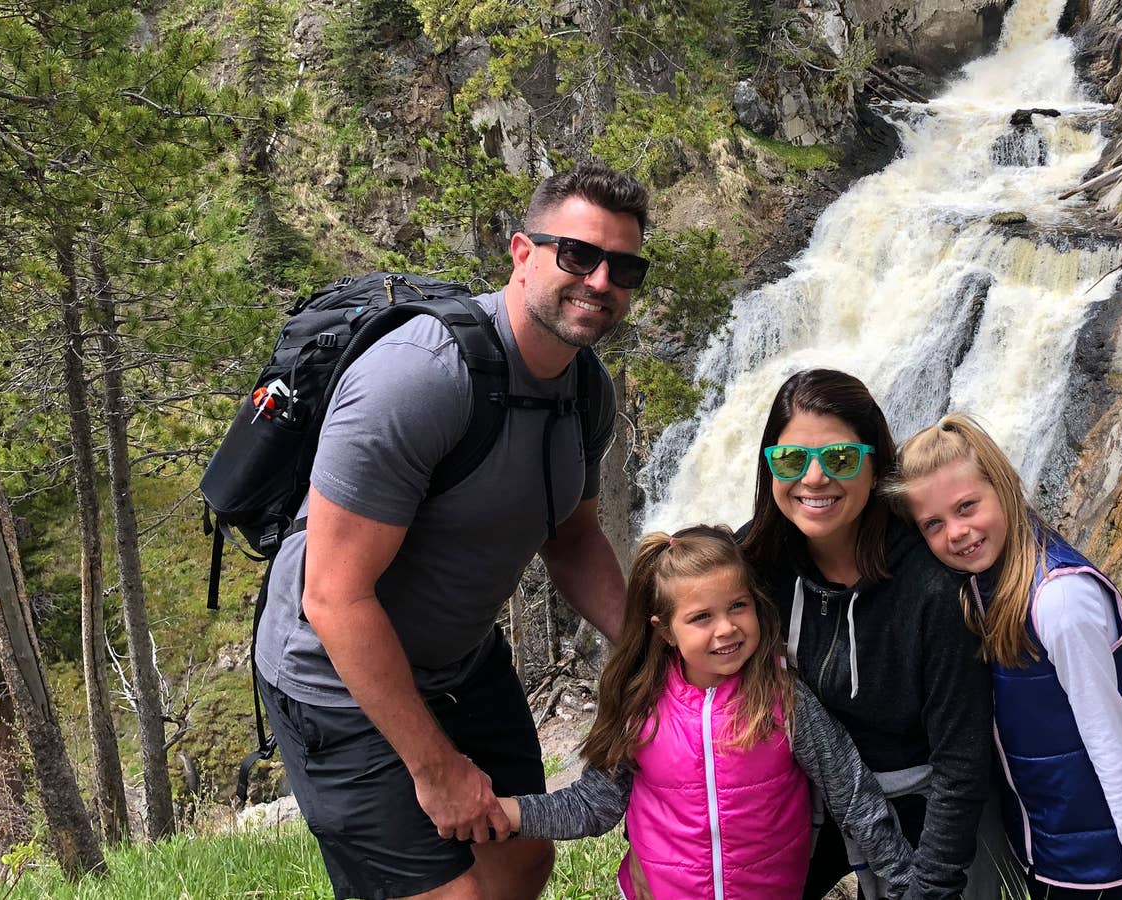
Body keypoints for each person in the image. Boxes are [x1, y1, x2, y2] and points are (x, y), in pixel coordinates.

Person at [253, 161, 648, 900]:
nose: (601, 281)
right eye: (579, 255)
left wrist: (654, 650)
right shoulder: (419, 378)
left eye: (624, 267)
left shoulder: (584, 388)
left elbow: (573, 539)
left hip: (461, 662)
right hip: (335, 680)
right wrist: (434, 770)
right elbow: (334, 597)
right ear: (522, 253)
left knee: (521, 859)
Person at [498, 526, 918, 900]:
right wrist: (506, 814)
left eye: (738, 605)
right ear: (664, 630)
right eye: (701, 617)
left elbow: (851, 790)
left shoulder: (783, 698)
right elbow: (595, 806)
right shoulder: (640, 705)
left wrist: (905, 880)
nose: (726, 628)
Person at [892, 413, 1122, 900]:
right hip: (1046, 850)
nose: (957, 533)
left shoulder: (1059, 601)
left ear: (1003, 487)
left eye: (967, 507)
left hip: (1099, 866)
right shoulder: (984, 582)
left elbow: (1112, 748)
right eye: (934, 524)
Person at [738, 368, 997, 900]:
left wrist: (932, 885)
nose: (812, 479)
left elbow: (961, 764)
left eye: (839, 458)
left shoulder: (930, 587)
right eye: (790, 460)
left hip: (923, 797)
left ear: (875, 464)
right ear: (769, 468)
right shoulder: (752, 565)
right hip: (812, 791)